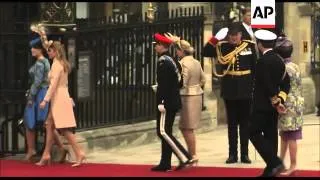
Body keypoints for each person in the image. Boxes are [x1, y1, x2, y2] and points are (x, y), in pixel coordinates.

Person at [203, 22, 257, 164]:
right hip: (230, 89)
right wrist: (215, 39)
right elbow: (205, 52)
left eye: (236, 35)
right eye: (231, 35)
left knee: (245, 123)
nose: (234, 38)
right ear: (228, 36)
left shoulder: (249, 46)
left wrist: (255, 88)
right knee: (232, 124)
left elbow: (254, 68)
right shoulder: (222, 46)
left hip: (245, 89)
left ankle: (245, 154)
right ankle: (232, 154)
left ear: (240, 35)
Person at [36, 40, 85, 167]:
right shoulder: (59, 63)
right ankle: (46, 154)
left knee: (63, 129)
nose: (48, 53)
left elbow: (53, 86)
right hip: (60, 96)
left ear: (56, 51)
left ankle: (79, 152)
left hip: (58, 98)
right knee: (49, 125)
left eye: (50, 51)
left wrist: (45, 100)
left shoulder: (57, 65)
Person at [249, 29, 291, 177]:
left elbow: (267, 84)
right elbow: (286, 83)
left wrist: (275, 101)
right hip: (274, 106)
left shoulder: (262, 61)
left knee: (252, 132)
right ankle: (270, 170)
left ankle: (275, 162)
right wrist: (280, 99)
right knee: (270, 136)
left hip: (262, 105)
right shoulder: (279, 60)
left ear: (260, 45)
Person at [151, 33, 193, 172]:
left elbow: (164, 84)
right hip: (173, 99)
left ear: (162, 46)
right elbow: (179, 82)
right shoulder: (173, 60)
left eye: (156, 45)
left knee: (163, 132)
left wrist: (162, 101)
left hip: (167, 102)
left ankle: (184, 157)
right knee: (166, 131)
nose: (155, 47)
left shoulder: (163, 61)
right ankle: (165, 162)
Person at [23, 32, 67, 163]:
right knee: (46, 124)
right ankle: (60, 147)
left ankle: (31, 149)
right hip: (43, 93)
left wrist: (31, 96)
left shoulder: (40, 64)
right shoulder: (46, 62)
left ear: (40, 50)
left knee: (29, 121)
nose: (32, 50)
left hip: (39, 94)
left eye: (34, 48)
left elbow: (36, 83)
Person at [166, 33, 206, 165]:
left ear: (181, 51)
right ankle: (191, 154)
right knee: (187, 127)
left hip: (187, 97)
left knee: (187, 128)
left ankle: (193, 155)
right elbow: (203, 79)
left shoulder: (183, 63)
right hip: (197, 95)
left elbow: (182, 81)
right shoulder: (196, 61)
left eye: (177, 50)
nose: (176, 53)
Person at [274, 35, 304, 176]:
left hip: (288, 104)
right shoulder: (295, 66)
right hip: (296, 102)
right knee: (285, 134)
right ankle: (281, 162)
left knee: (291, 135)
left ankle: (293, 164)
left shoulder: (284, 68)